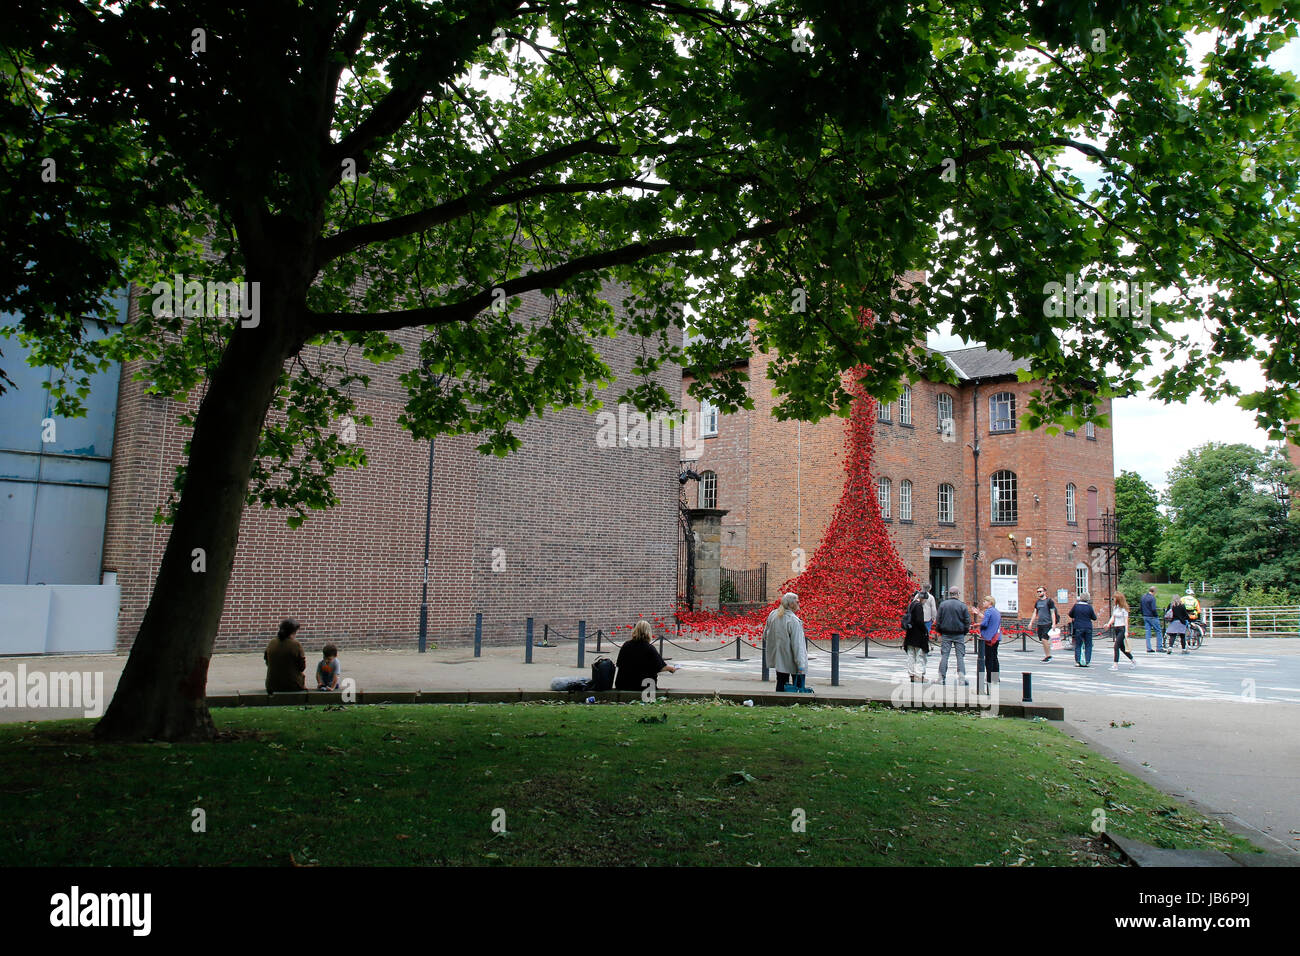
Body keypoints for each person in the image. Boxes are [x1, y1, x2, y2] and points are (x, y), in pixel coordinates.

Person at [763, 593, 811, 693]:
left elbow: (765, 635)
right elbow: (797, 645)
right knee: (798, 686)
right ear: (791, 604)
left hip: (779, 658)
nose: (799, 603)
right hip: (793, 659)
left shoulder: (773, 615)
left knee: (780, 683)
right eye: (797, 602)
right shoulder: (792, 620)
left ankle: (780, 704)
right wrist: (801, 664)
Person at [615, 619, 679, 691]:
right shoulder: (649, 648)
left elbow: (618, 664)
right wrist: (672, 669)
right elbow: (660, 667)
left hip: (623, 684)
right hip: (644, 685)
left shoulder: (626, 645)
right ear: (648, 633)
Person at [936, 587, 971, 686]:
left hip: (946, 633)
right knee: (960, 656)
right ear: (958, 594)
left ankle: (941, 677)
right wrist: (965, 631)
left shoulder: (943, 605)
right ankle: (961, 678)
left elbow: (938, 620)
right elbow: (967, 621)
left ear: (949, 594)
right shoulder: (962, 606)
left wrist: (940, 631)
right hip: (959, 634)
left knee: (944, 656)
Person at [265, 618, 307, 693]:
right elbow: (302, 667)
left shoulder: (272, 642)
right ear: (293, 632)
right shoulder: (296, 645)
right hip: (292, 685)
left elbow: (267, 662)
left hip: (271, 685)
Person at [902, 590, 931, 683]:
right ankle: (919, 675)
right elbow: (919, 621)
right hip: (918, 635)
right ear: (923, 598)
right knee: (920, 656)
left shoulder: (911, 604)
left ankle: (911, 674)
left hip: (910, 634)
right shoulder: (918, 606)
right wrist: (925, 631)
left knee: (911, 655)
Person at [1103, 594, 1135, 670]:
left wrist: (1126, 631)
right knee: (1122, 648)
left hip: (1122, 628)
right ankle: (1133, 660)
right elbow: (1113, 617)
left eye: (1115, 598)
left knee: (1116, 646)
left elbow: (1126, 620)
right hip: (1116, 628)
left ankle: (1115, 665)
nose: (1114, 600)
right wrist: (1108, 624)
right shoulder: (1115, 608)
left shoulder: (1124, 609)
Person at [1028, 586, 1059, 662]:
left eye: (1040, 591)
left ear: (1045, 592)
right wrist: (1031, 623)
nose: (1039, 593)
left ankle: (1048, 656)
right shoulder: (1037, 602)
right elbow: (1035, 613)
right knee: (1043, 640)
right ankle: (1047, 655)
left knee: (1044, 639)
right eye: (1038, 592)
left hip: (1047, 623)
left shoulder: (1049, 601)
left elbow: (1052, 613)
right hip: (1040, 624)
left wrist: (1054, 623)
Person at [977, 595, 1001, 689]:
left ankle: (989, 678)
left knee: (988, 658)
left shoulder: (988, 611)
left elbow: (985, 623)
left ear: (989, 602)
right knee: (995, 658)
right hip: (996, 637)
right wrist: (979, 614)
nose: (983, 603)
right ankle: (995, 677)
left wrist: (978, 624)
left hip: (988, 638)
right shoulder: (996, 612)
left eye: (985, 601)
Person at [1069, 594, 1097, 666]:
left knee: (1078, 644)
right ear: (1088, 599)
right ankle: (1087, 661)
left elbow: (1070, 614)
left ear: (1080, 598)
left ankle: (1078, 661)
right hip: (1088, 627)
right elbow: (1094, 618)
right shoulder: (1089, 607)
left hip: (1078, 627)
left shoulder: (1076, 606)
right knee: (1088, 645)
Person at [1140, 586, 1163, 652]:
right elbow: (1153, 609)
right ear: (1154, 591)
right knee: (1158, 631)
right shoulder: (1152, 598)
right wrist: (1156, 615)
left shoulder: (1143, 597)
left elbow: (1141, 607)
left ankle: (1148, 648)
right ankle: (1159, 647)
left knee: (1148, 632)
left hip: (1145, 616)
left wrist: (1143, 614)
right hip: (1152, 617)